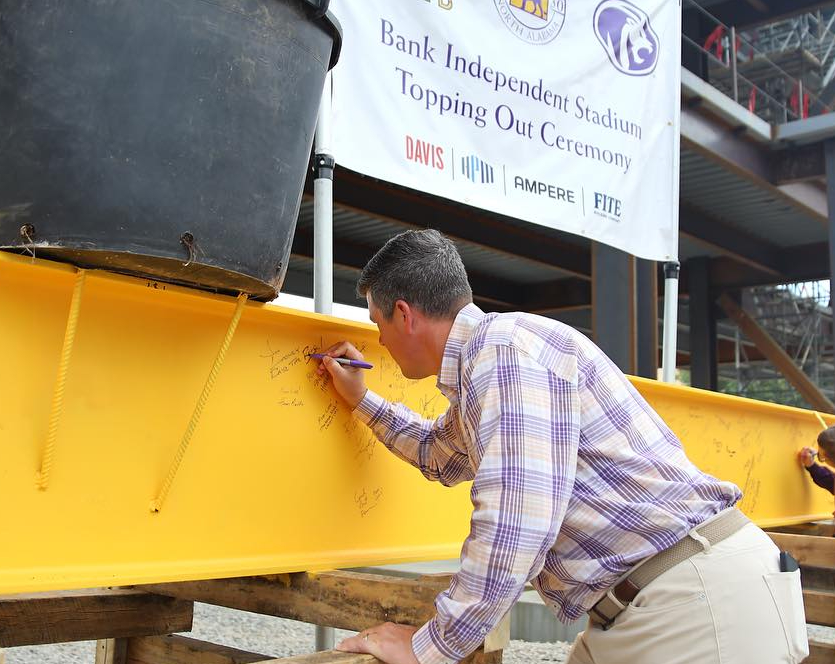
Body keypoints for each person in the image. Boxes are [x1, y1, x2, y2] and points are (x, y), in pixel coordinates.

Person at [315, 229, 807, 664]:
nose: (379, 340)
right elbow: (439, 454)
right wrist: (361, 399)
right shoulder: (494, 360)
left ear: (404, 314)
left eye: (378, 323)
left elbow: (517, 520)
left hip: (688, 603)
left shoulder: (502, 355)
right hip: (666, 597)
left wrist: (430, 646)